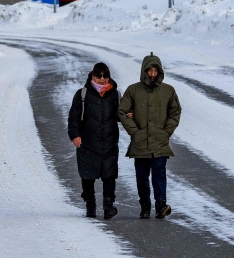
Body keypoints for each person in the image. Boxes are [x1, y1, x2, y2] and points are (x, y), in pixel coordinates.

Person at [119, 53, 181, 219]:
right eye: (149, 71)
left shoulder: (168, 91)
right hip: (140, 143)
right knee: (142, 176)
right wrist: (135, 132)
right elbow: (122, 112)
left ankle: (161, 203)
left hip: (160, 142)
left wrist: (167, 131)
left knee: (159, 173)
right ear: (144, 71)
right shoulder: (133, 90)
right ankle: (145, 205)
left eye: (155, 71)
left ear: (160, 71)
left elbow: (175, 111)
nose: (152, 74)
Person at [67, 62, 121, 220]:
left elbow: (119, 115)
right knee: (87, 175)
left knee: (109, 175)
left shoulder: (115, 94)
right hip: (87, 142)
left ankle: (108, 206)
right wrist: (74, 135)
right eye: (99, 76)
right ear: (92, 76)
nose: (102, 79)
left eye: (105, 76)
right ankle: (90, 205)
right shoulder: (82, 94)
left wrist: (128, 115)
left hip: (109, 141)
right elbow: (73, 117)